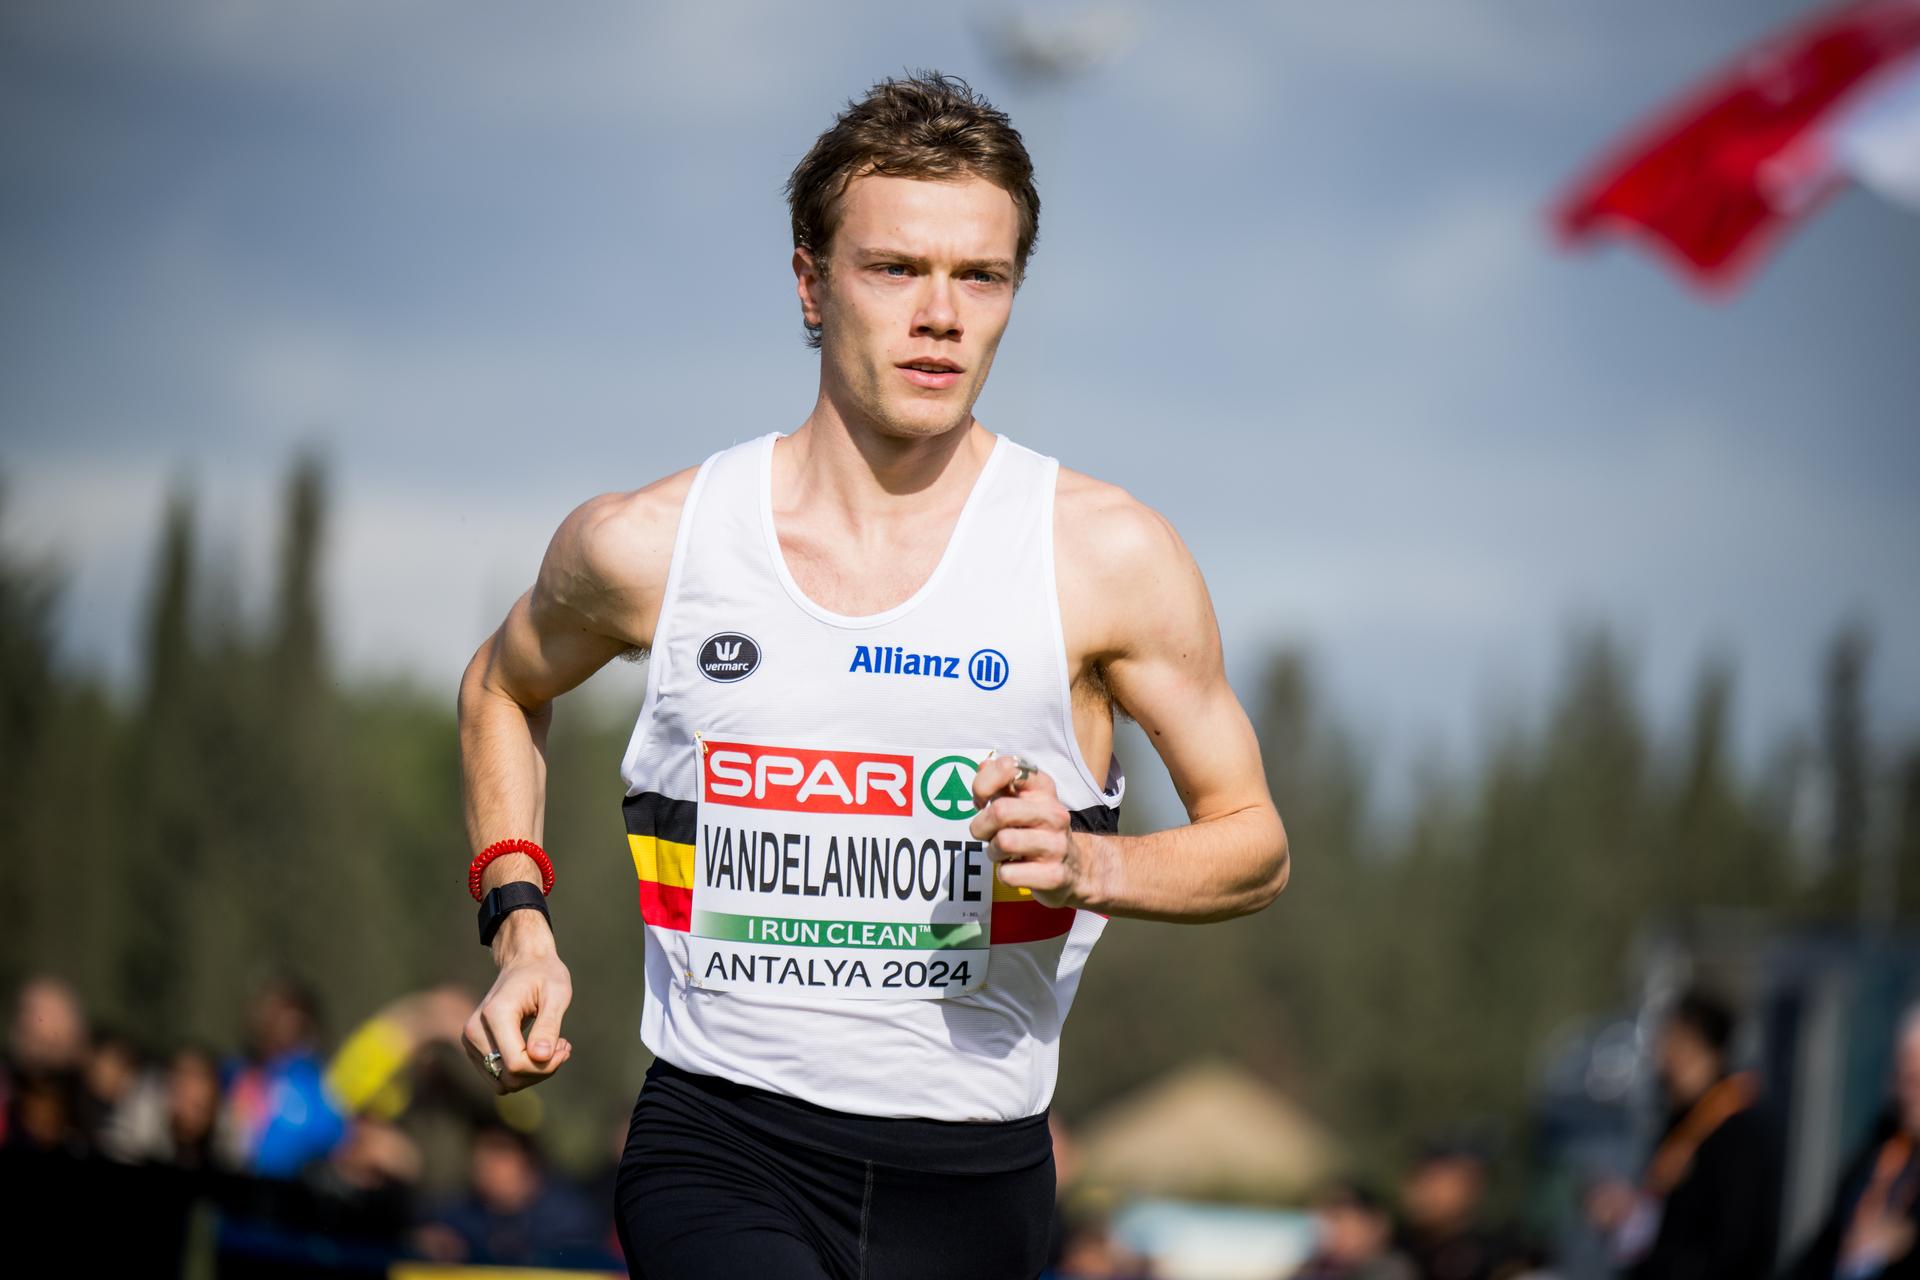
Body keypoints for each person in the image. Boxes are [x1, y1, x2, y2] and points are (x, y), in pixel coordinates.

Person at [455, 70, 1289, 1280]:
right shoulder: (654, 544)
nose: (940, 314)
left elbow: (1255, 841)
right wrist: (519, 928)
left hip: (977, 1180)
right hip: (720, 1139)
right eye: (895, 268)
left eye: (980, 275)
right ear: (810, 280)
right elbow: (499, 687)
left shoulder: (1107, 558)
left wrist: (1094, 862)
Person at [1584, 989, 1779, 1279]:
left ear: (1693, 1045)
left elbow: (1733, 1241)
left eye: (1669, 1039)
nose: (1659, 1053)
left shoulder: (1736, 1130)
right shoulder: (1679, 1123)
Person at [1784, 1003, 1920, 1280]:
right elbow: (1827, 1239)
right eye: (1903, 1079)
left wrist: (1908, 1243)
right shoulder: (1881, 1143)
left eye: (1917, 1081)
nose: (1908, 1095)